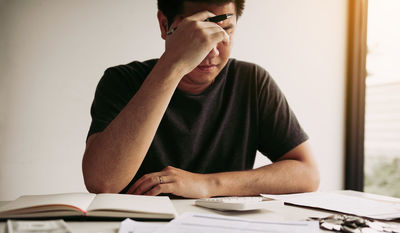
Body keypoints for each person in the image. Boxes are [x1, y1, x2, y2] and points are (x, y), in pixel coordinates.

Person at [82, 0, 320, 198]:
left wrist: (206, 184)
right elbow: (103, 183)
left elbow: (307, 173)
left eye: (224, 31)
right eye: (198, 33)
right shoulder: (122, 81)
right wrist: (173, 67)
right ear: (165, 25)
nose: (212, 51)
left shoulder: (251, 81)